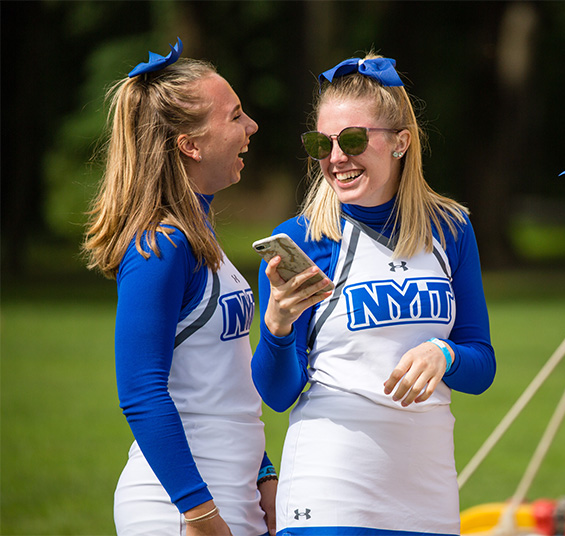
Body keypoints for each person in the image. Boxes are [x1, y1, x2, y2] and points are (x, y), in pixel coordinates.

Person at [251, 53, 496, 535]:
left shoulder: (450, 229)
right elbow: (277, 394)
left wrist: (444, 354)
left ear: (400, 142)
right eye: (321, 143)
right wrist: (277, 329)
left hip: (428, 491)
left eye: (355, 140)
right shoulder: (301, 239)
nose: (336, 158)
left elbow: (481, 366)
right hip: (330, 489)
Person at [82, 39, 276, 536]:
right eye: (235, 117)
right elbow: (140, 390)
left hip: (232, 497)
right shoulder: (161, 244)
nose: (251, 127)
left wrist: (265, 474)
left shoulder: (198, 232)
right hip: (177, 509)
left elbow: (221, 381)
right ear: (190, 144)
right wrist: (199, 512)